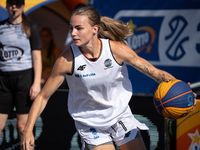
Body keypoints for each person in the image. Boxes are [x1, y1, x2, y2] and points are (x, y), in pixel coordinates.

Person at [21, 6, 196, 150]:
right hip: (91, 123)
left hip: (119, 116)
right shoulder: (66, 60)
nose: (73, 33)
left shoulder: (116, 50)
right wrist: (28, 130)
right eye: (71, 28)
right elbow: (43, 96)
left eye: (79, 28)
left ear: (94, 29)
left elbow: (155, 73)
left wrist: (182, 89)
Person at [0, 0, 42, 148]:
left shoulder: (31, 27)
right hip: (3, 80)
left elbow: (37, 56)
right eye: (11, 4)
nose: (14, 7)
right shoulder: (0, 27)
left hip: (24, 78)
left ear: (23, 6)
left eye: (17, 4)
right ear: (6, 6)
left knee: (23, 126)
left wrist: (36, 83)